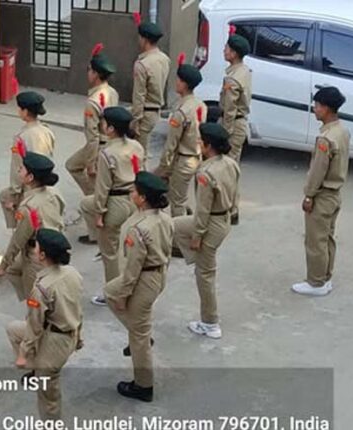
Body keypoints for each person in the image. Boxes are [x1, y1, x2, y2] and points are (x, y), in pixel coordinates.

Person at [104, 171, 173, 402]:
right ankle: (140, 334)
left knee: (138, 333)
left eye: (134, 191)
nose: (130, 192)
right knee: (109, 293)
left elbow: (133, 268)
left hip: (143, 278)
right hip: (158, 274)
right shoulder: (162, 218)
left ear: (142, 198)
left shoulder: (139, 229)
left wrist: (124, 294)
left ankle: (143, 386)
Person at [6, 228, 83, 420]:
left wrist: (23, 354)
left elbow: (35, 325)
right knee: (13, 329)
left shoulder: (41, 288)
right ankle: (37, 370)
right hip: (69, 331)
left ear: (42, 255)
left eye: (36, 245)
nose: (33, 249)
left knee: (48, 398)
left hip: (54, 343)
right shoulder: (72, 274)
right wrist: (79, 337)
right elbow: (78, 309)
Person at [173, 123, 240, 340]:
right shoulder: (230, 163)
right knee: (171, 225)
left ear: (208, 145)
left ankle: (210, 322)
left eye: (201, 141)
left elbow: (203, 209)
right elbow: (236, 193)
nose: (199, 144)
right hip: (223, 219)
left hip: (210, 223)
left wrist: (197, 236)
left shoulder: (206, 172)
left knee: (205, 275)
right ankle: (191, 255)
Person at [80, 107, 145, 306]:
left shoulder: (107, 153)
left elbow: (102, 187)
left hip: (115, 202)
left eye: (104, 123)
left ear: (110, 128)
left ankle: (113, 292)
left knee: (110, 253)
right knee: (85, 205)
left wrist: (100, 213)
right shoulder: (136, 146)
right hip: (135, 198)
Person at [292, 87, 350, 297]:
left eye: (317, 106)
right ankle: (325, 278)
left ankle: (315, 282)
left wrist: (309, 195)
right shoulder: (341, 131)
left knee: (315, 240)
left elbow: (318, 171)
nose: (314, 109)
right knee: (327, 238)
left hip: (323, 194)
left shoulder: (326, 139)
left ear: (326, 108)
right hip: (335, 193)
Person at [0, 152, 66, 301]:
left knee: (36, 300)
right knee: (14, 270)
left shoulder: (28, 207)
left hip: (37, 255)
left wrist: (3, 264)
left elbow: (18, 239)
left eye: (21, 169)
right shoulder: (54, 193)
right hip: (54, 244)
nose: (18, 171)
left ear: (30, 178)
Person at [66, 43, 120, 199]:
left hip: (99, 146)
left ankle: (94, 200)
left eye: (89, 70)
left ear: (96, 74)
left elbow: (93, 136)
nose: (87, 73)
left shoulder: (93, 102)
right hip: (111, 142)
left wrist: (91, 162)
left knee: (75, 167)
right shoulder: (112, 92)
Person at [155, 59, 207, 218]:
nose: (176, 82)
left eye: (179, 80)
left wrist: (163, 168)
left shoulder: (181, 112)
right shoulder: (200, 105)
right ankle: (186, 213)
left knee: (177, 202)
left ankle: (179, 233)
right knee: (178, 195)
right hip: (196, 157)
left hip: (183, 160)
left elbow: (171, 144)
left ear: (184, 84)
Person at [0, 91, 56, 228]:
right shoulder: (47, 131)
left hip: (29, 183)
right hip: (44, 179)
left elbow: (17, 166)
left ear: (25, 112)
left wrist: (15, 192)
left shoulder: (21, 138)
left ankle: (17, 231)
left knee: (7, 200)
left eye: (19, 108)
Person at [219, 33, 252, 225]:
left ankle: (230, 209)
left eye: (227, 48)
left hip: (234, 124)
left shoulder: (232, 79)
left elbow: (229, 110)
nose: (224, 51)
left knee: (228, 169)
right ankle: (233, 208)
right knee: (232, 168)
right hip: (241, 122)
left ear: (234, 53)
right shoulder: (243, 71)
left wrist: (225, 132)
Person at [131, 19, 170, 161]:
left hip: (145, 113)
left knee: (139, 156)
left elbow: (139, 96)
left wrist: (135, 121)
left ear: (144, 39)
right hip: (156, 110)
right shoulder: (164, 59)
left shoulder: (142, 65)